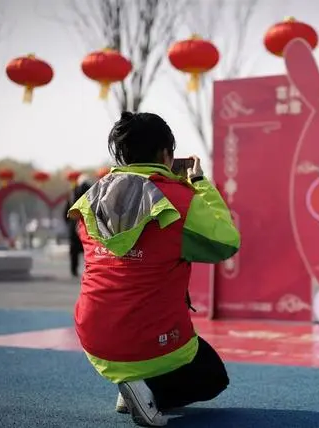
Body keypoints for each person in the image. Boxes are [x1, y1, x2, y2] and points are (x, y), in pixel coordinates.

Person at [67, 112, 240, 427]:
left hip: (93, 337)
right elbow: (226, 242)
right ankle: (145, 388)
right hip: (149, 339)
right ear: (165, 154)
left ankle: (133, 385)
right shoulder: (180, 200)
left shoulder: (90, 200)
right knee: (212, 377)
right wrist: (199, 183)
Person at [63, 174, 93, 276]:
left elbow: (66, 210)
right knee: (88, 248)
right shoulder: (92, 190)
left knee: (74, 250)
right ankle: (89, 270)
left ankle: (74, 270)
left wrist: (68, 223)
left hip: (73, 223)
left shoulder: (72, 192)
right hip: (86, 223)